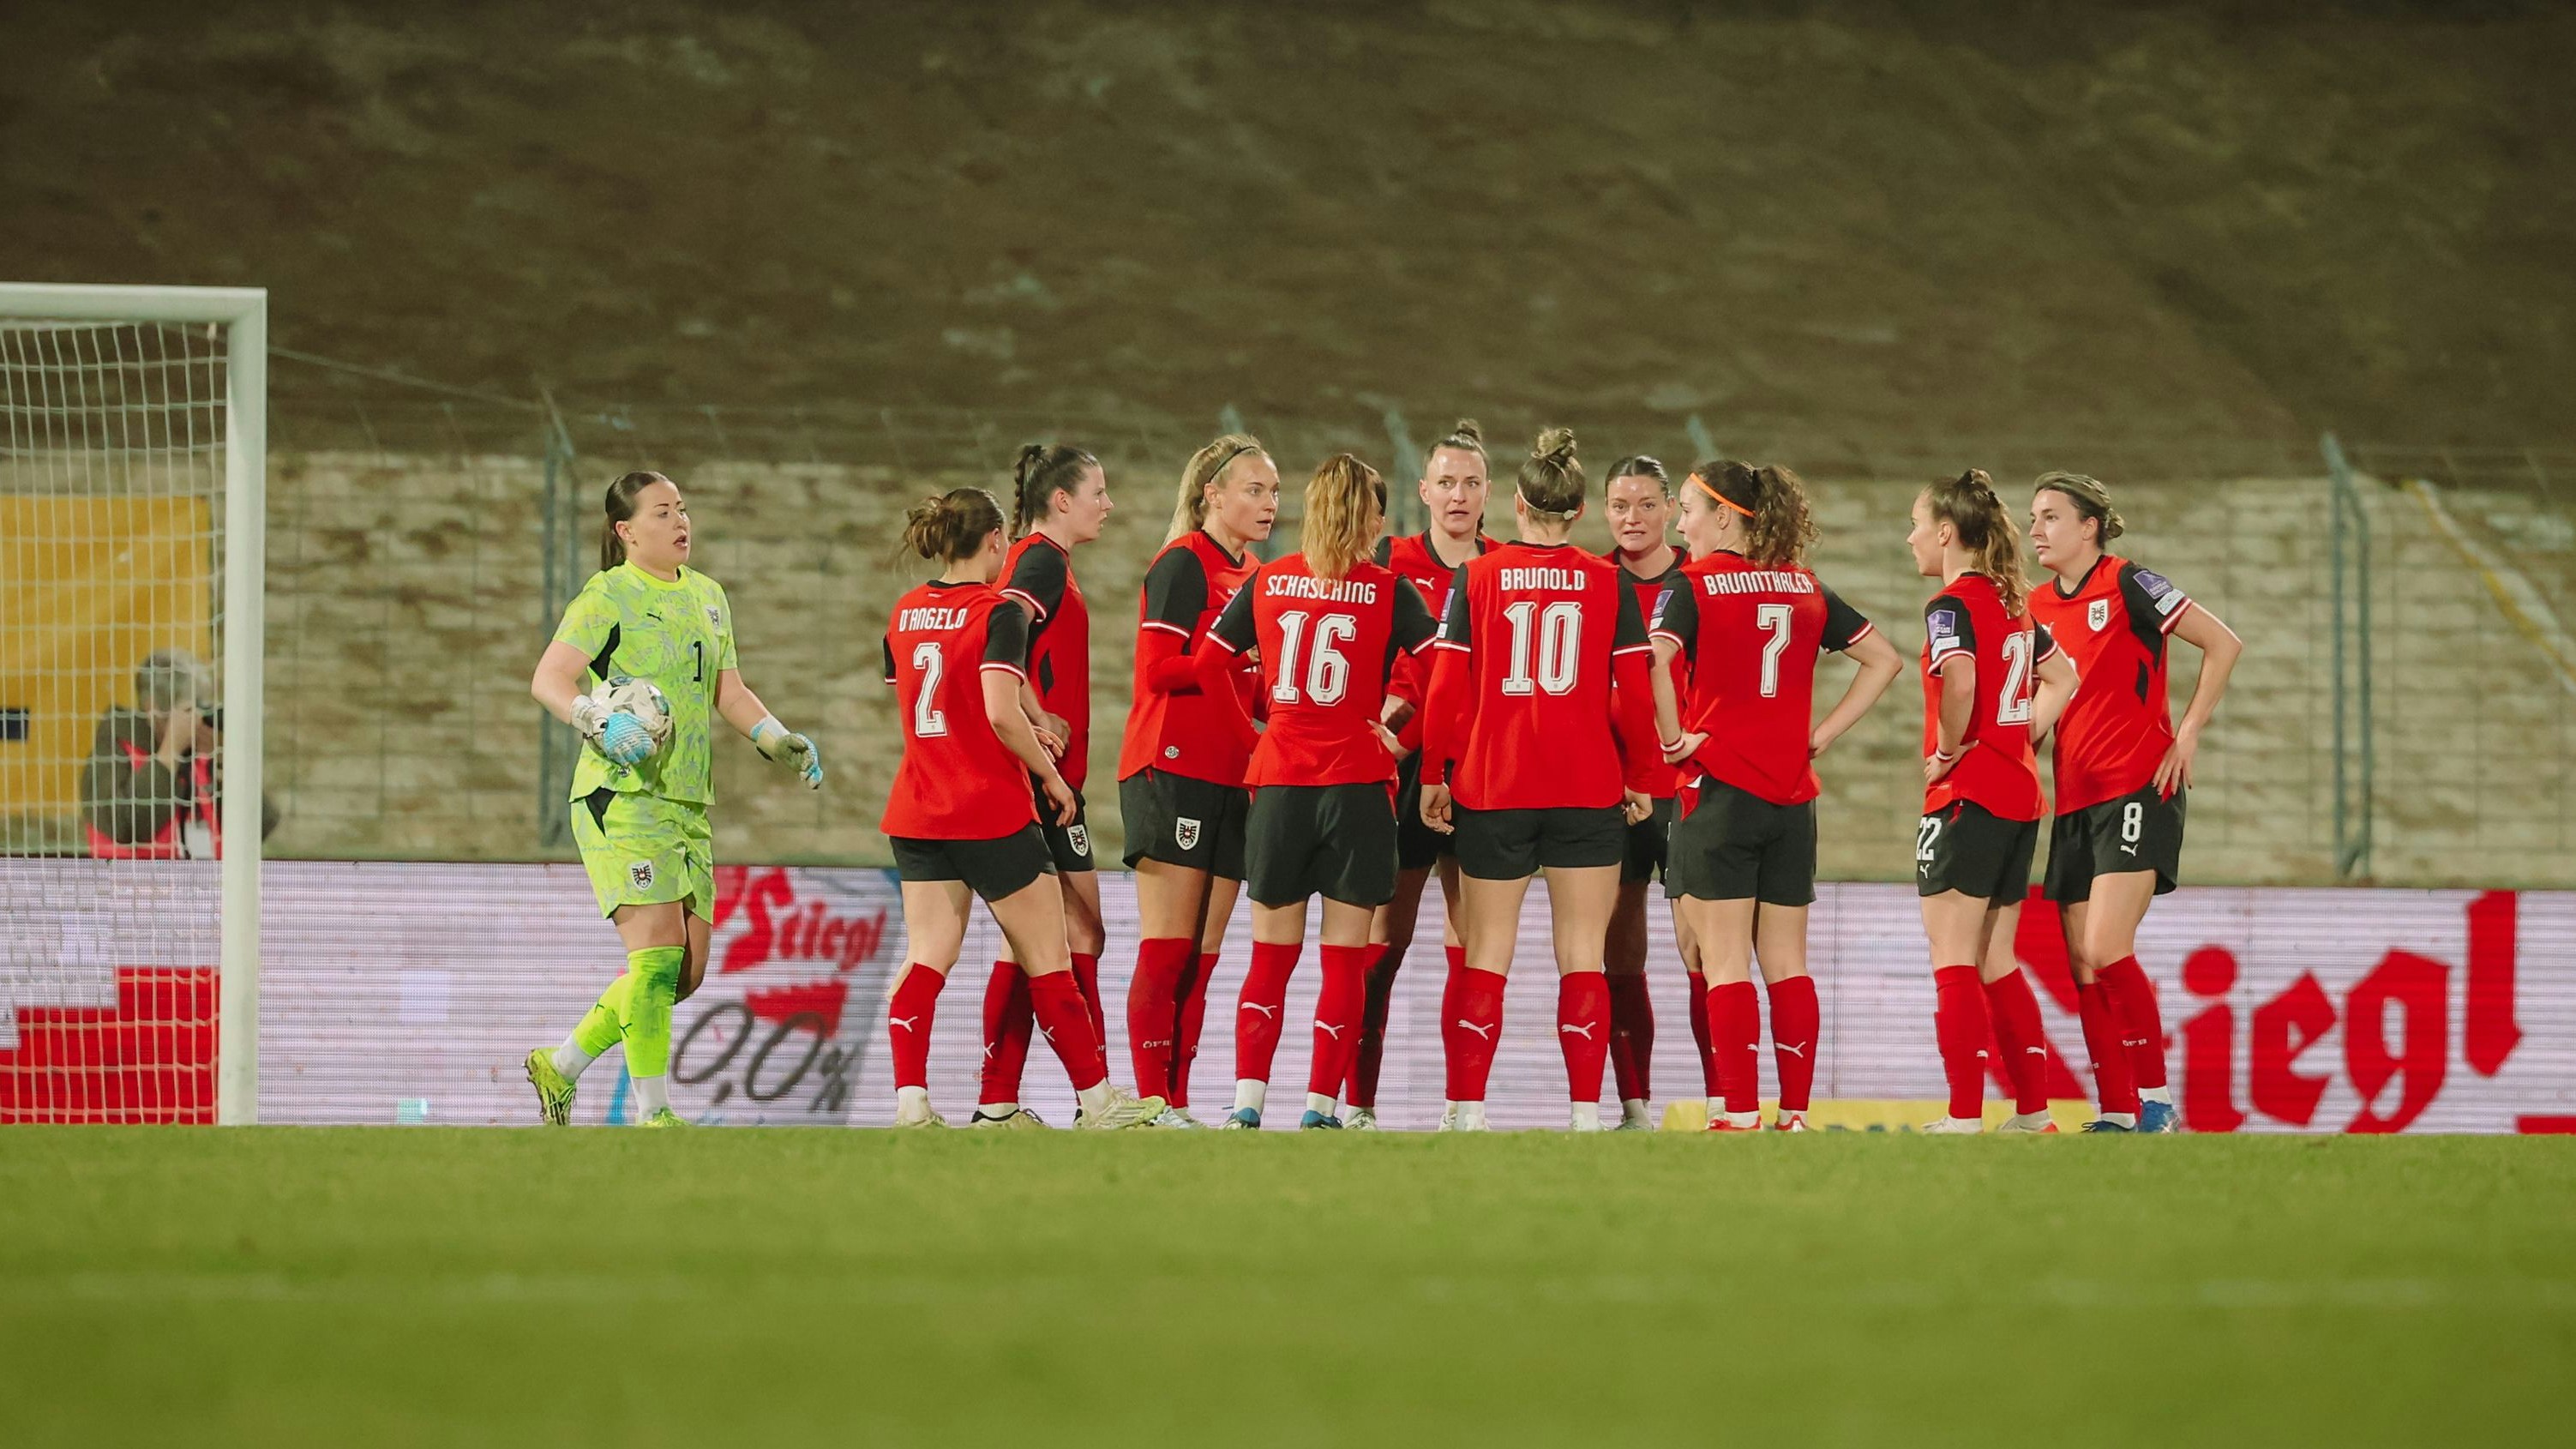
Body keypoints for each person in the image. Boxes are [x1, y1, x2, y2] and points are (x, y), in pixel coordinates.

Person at [522, 471, 826, 1128]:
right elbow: (549, 677)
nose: (680, 522)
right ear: (626, 532)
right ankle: (652, 1115)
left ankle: (561, 1065)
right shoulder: (608, 596)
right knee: (656, 957)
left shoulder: (710, 598)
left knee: (683, 974)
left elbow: (730, 691)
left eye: (682, 510)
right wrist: (599, 720)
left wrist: (776, 738)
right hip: (620, 796)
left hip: (687, 802)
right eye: (662, 513)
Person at [876, 487, 1164, 1130]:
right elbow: (997, 709)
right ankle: (1096, 1104)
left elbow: (938, 695)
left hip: (918, 808)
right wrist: (1051, 776)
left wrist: (1030, 716)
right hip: (987, 807)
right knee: (1048, 958)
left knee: (927, 956)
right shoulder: (999, 609)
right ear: (996, 542)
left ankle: (910, 1103)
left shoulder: (905, 612)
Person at [1420, 429, 1660, 1132]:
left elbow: (1445, 688)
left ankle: (1464, 1111)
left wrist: (1436, 771)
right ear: (1580, 509)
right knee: (1582, 954)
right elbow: (1634, 695)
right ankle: (1586, 1114)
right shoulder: (1609, 581)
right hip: (1586, 786)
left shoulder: (1477, 577)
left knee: (1485, 951)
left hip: (1494, 786)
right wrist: (1642, 773)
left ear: (1516, 505)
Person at [1650, 463, 1903, 1132]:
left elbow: (1653, 657)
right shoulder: (1803, 584)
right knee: (1788, 962)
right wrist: (1821, 733)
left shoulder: (1694, 585)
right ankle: (1792, 1114)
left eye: (1687, 510)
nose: (1680, 524)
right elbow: (1884, 659)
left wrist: (1672, 737)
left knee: (1725, 959)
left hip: (1720, 791)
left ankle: (1736, 1113)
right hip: (1791, 798)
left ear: (1726, 517)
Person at [1191, 454, 1440, 1130]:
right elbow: (1445, 675)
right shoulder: (1390, 590)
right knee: (1343, 959)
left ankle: (1246, 1104)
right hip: (1357, 785)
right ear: (1374, 518)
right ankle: (1319, 1108)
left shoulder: (1268, 581)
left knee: (1269, 957)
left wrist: (1253, 735)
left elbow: (1204, 667)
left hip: (1280, 785)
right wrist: (1402, 737)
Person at [2027, 472, 2243, 1133]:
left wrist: (2188, 733)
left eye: (2050, 517)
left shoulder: (2128, 582)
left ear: (2089, 525)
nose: (2035, 529)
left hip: (2136, 786)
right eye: (2032, 518)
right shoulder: (2035, 604)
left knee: (2105, 945)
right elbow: (2042, 704)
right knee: (2080, 965)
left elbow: (2222, 643)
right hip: (2073, 798)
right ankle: (2117, 1112)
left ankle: (2156, 1102)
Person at [1906, 470, 2078, 1134]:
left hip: (1966, 794)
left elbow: (1958, 674)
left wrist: (1952, 747)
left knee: (1950, 955)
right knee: (1995, 959)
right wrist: (2022, 730)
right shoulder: (2013, 605)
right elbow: (2063, 676)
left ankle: (1960, 1115)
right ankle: (2033, 1113)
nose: (1911, 537)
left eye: (1916, 524)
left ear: (1946, 532)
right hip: (2017, 794)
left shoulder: (1950, 605)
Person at [1118, 433, 1280, 1127]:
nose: (1269, 503)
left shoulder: (1261, 575)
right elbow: (1157, 670)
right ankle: (1153, 1099)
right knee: (1168, 947)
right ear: (1211, 494)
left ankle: (1176, 1100)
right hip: (1173, 766)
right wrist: (1225, 654)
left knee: (1205, 956)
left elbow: (1258, 684)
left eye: (1273, 491)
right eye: (1254, 489)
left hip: (1234, 774)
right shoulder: (1182, 565)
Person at [1347, 418, 1493, 1130]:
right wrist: (1391, 740)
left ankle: (1461, 1109)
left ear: (1488, 492)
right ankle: (1356, 1106)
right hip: (1399, 773)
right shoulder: (1389, 560)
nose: (1458, 495)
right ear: (1423, 490)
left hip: (1479, 775)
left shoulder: (1503, 568)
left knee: (1470, 946)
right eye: (1446, 483)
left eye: (1470, 483)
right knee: (1383, 944)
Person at [970, 444, 1116, 1129]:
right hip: (1043, 777)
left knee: (1034, 943)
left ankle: (997, 1102)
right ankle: (1100, 1098)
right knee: (1079, 931)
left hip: (1055, 773)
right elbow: (1003, 631)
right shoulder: (1038, 560)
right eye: (1097, 492)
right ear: (1061, 500)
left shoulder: (1051, 562)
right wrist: (1029, 708)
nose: (1106, 505)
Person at [1599, 454, 1692, 1130]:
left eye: (1645, 505)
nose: (1632, 518)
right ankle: (1635, 1107)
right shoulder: (1590, 583)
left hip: (1690, 792)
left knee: (1703, 953)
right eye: (1619, 506)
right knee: (1619, 951)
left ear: (1668, 510)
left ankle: (1729, 1103)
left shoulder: (1702, 580)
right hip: (1611, 790)